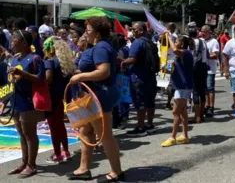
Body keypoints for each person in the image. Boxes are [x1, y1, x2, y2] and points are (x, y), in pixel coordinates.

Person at [66, 17, 123, 182]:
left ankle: (116, 171)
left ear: (97, 33)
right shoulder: (96, 47)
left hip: (99, 96)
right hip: (90, 96)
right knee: (85, 131)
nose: (86, 33)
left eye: (89, 30)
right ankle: (84, 168)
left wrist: (81, 76)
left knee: (104, 135)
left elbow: (103, 71)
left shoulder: (101, 47)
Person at [0, 30, 45, 178]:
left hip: (28, 102)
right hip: (15, 102)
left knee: (30, 134)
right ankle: (24, 162)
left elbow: (40, 79)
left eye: (14, 40)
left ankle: (32, 165)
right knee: (21, 134)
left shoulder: (35, 58)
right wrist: (4, 101)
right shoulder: (15, 59)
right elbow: (11, 83)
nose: (11, 43)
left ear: (24, 43)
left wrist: (23, 74)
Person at [122, 22, 158, 137]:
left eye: (134, 29)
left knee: (139, 102)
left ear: (141, 30)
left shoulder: (137, 42)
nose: (133, 31)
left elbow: (132, 59)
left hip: (139, 77)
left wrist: (123, 62)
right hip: (151, 76)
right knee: (150, 101)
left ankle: (140, 127)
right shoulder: (150, 42)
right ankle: (150, 125)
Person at [43, 37, 74, 164]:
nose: (44, 49)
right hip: (62, 97)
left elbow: (48, 79)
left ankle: (57, 154)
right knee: (60, 125)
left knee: (53, 126)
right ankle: (65, 150)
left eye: (46, 47)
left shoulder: (50, 62)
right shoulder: (65, 63)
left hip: (52, 98)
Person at [161, 35, 194, 147]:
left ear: (182, 44)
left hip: (183, 87)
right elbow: (170, 70)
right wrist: (164, 68)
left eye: (176, 41)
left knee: (176, 112)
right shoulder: (177, 57)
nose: (174, 43)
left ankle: (172, 137)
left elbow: (174, 50)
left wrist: (168, 37)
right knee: (183, 112)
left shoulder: (186, 53)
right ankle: (185, 135)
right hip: (179, 86)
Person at [189, 22, 208, 123]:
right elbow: (207, 55)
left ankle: (197, 117)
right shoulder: (203, 42)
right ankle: (201, 114)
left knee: (195, 91)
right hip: (203, 67)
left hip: (195, 68)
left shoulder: (190, 42)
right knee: (202, 91)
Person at [202, 25, 219, 117]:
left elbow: (215, 55)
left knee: (210, 88)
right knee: (204, 90)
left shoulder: (214, 42)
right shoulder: (201, 41)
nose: (202, 33)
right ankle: (206, 105)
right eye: (202, 31)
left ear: (209, 32)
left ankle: (211, 107)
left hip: (210, 70)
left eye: (204, 32)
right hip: (202, 69)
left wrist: (206, 55)